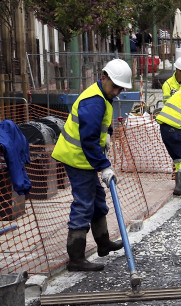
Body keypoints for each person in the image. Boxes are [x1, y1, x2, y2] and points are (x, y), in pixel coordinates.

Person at [51, 59, 131, 271]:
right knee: (84, 204)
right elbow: (87, 141)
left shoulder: (103, 95)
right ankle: (76, 258)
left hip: (85, 158)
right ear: (103, 77)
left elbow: (100, 127)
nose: (117, 91)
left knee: (97, 200)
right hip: (77, 158)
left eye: (120, 88)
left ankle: (103, 243)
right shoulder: (94, 101)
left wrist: (108, 135)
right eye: (114, 86)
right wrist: (104, 166)